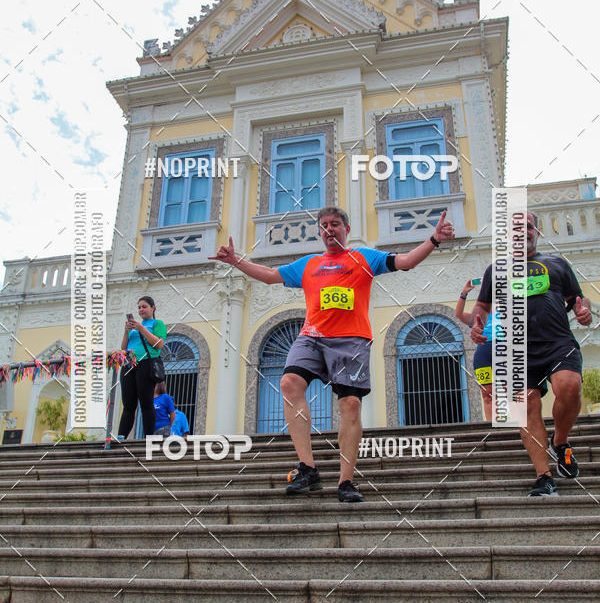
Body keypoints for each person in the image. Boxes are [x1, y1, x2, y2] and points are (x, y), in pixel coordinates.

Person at [211, 205, 455, 502]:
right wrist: (236, 261)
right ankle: (307, 467)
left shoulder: (364, 257)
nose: (329, 229)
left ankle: (346, 481)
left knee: (350, 404)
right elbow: (270, 275)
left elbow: (405, 262)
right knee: (289, 383)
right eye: (324, 225)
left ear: (346, 229)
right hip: (312, 336)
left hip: (351, 340)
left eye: (335, 224)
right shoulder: (310, 264)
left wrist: (434, 240)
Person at [470, 212, 593, 496]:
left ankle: (560, 442)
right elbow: (482, 307)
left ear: (536, 231)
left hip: (557, 342)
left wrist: (582, 311)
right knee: (526, 408)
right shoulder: (496, 270)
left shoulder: (557, 263)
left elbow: (577, 297)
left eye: (526, 226)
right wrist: (476, 325)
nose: (520, 231)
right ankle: (544, 476)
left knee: (569, 387)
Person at [117, 296, 167, 439]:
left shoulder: (157, 324)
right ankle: (122, 436)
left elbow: (158, 344)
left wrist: (141, 328)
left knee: (146, 403)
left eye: (144, 306)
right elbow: (123, 348)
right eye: (139, 307)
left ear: (153, 307)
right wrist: (127, 331)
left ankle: (149, 436)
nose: (141, 310)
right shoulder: (134, 328)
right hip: (129, 364)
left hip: (146, 364)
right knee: (128, 404)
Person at [455, 279, 496, 422]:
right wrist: (464, 293)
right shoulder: (478, 316)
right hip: (483, 353)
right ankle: (491, 426)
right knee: (487, 393)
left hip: (505, 350)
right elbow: (459, 314)